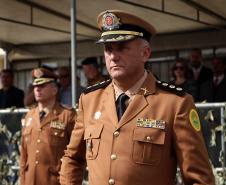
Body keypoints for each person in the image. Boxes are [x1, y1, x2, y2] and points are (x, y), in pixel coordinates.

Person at [60, 10, 214, 185]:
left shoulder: (175, 103)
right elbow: (72, 158)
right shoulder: (89, 100)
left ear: (145, 53)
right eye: (108, 49)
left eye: (122, 47)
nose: (113, 56)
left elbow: (199, 178)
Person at [20, 67, 76, 185]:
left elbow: (75, 155)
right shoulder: (29, 116)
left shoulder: (67, 115)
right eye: (35, 86)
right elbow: (23, 156)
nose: (37, 89)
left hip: (55, 181)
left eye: (42, 86)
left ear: (54, 90)